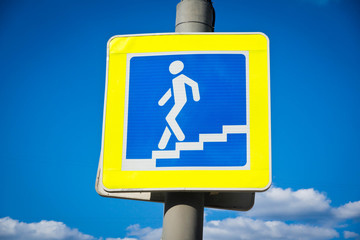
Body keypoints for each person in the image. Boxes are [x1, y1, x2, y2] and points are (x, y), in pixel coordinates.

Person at [157, 60, 200, 149]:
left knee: (169, 118)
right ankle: (163, 143)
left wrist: (196, 97)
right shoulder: (173, 80)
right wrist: (162, 101)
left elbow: (194, 84)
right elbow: (171, 92)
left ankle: (181, 137)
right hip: (177, 102)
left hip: (182, 101)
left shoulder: (182, 77)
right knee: (170, 120)